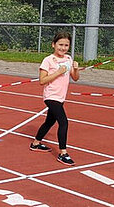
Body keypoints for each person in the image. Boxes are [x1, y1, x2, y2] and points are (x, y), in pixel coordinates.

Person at [30, 31, 80, 166]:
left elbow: (75, 78)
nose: (63, 48)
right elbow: (42, 80)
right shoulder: (48, 60)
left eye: (66, 45)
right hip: (51, 96)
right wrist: (58, 72)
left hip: (61, 97)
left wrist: (76, 69)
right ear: (53, 45)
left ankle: (36, 143)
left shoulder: (68, 59)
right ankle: (63, 153)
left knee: (49, 122)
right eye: (60, 45)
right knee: (63, 122)